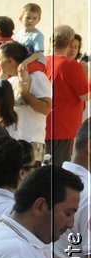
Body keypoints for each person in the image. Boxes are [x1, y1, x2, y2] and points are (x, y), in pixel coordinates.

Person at [45, 24, 89, 167]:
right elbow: (85, 96)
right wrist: (86, 72)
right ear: (69, 41)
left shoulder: (42, 61)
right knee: (58, 173)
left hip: (44, 125)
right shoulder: (71, 65)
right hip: (63, 128)